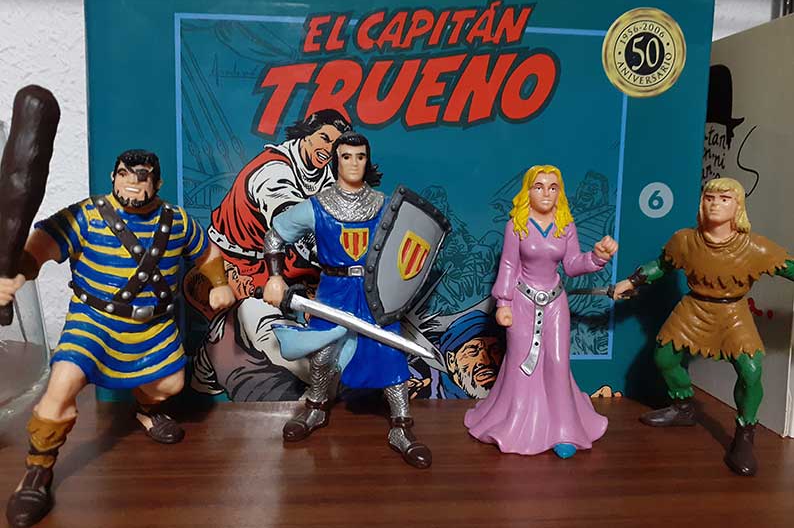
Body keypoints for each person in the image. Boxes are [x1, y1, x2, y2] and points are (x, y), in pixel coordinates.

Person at [0, 149, 235, 527]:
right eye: (126, 174)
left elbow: (208, 254)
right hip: (93, 322)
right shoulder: (86, 216)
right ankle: (37, 470)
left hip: (153, 327)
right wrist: (15, 274)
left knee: (170, 384)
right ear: (113, 177)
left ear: (157, 182)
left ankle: (146, 410)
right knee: (61, 386)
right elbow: (40, 248)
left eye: (143, 177)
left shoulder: (176, 221)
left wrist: (219, 283)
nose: (133, 183)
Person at [262, 131, 432, 469]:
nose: (354, 163)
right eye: (346, 156)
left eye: (360, 156)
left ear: (368, 161)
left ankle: (401, 426)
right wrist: (275, 276)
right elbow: (275, 236)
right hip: (333, 291)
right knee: (323, 354)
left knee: (389, 353)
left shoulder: (387, 206)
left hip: (374, 292)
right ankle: (315, 409)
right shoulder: (317, 206)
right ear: (335, 160)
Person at [612, 177, 794, 476]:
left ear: (738, 206)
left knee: (751, 371)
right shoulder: (685, 240)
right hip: (695, 307)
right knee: (664, 356)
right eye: (710, 198)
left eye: (724, 199)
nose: (715, 204)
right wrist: (631, 281)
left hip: (733, 311)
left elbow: (788, 267)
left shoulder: (755, 247)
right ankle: (683, 407)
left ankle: (745, 433)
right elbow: (662, 265)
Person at [191, 110, 352, 401]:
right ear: (306, 135)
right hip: (237, 262)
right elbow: (290, 221)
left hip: (284, 263)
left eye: (335, 144)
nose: (328, 148)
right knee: (253, 317)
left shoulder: (326, 177)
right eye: (324, 138)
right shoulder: (272, 170)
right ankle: (324, 375)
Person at [464, 164, 617, 458]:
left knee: (558, 362)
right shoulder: (517, 226)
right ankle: (516, 425)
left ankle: (564, 430)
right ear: (528, 191)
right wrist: (503, 302)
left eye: (552, 187)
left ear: (560, 193)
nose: (546, 193)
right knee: (522, 363)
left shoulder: (565, 226)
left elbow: (572, 265)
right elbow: (509, 265)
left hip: (556, 303)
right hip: (523, 302)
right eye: (539, 186)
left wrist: (597, 258)